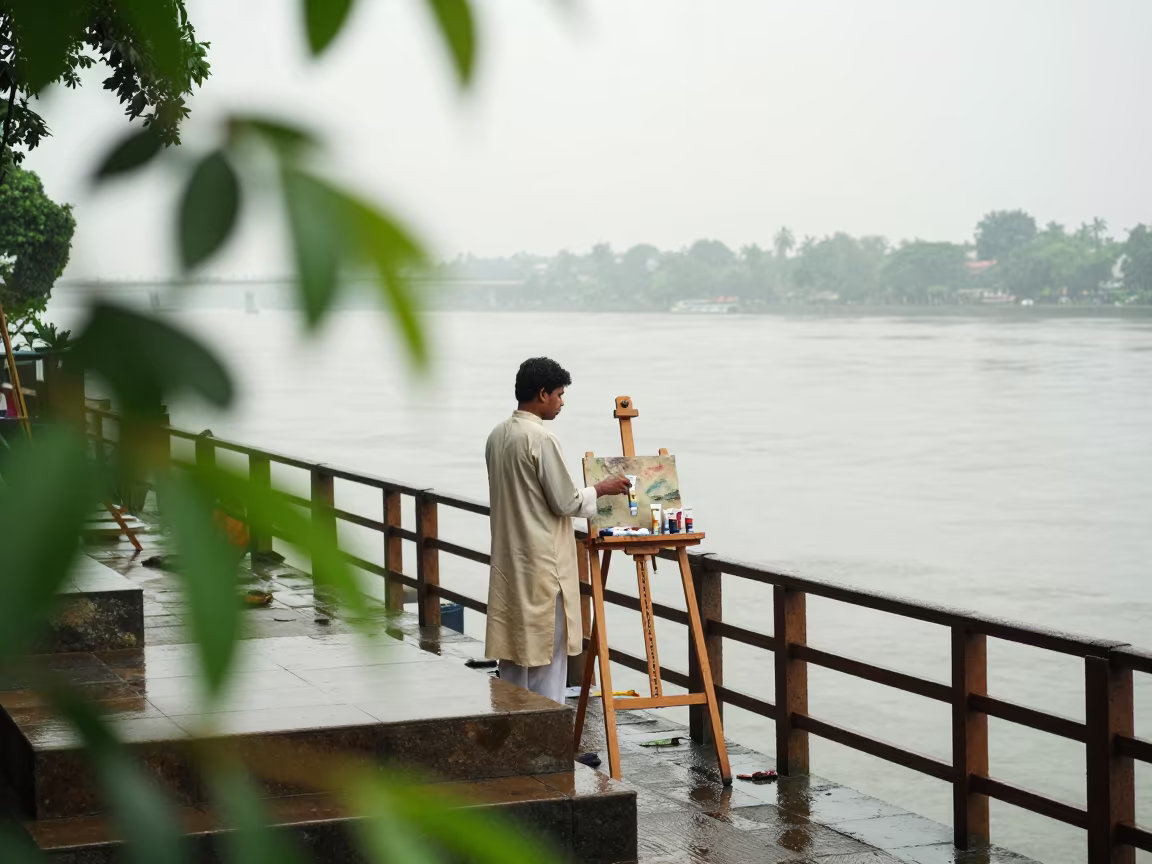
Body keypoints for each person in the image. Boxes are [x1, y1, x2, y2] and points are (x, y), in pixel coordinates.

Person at [485, 357, 630, 706]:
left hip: (510, 559)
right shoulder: (541, 438)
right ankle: (546, 736)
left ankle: (512, 727)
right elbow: (566, 502)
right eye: (559, 395)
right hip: (543, 562)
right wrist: (602, 487)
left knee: (515, 653)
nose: (562, 402)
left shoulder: (498, 435)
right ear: (542, 393)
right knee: (548, 657)